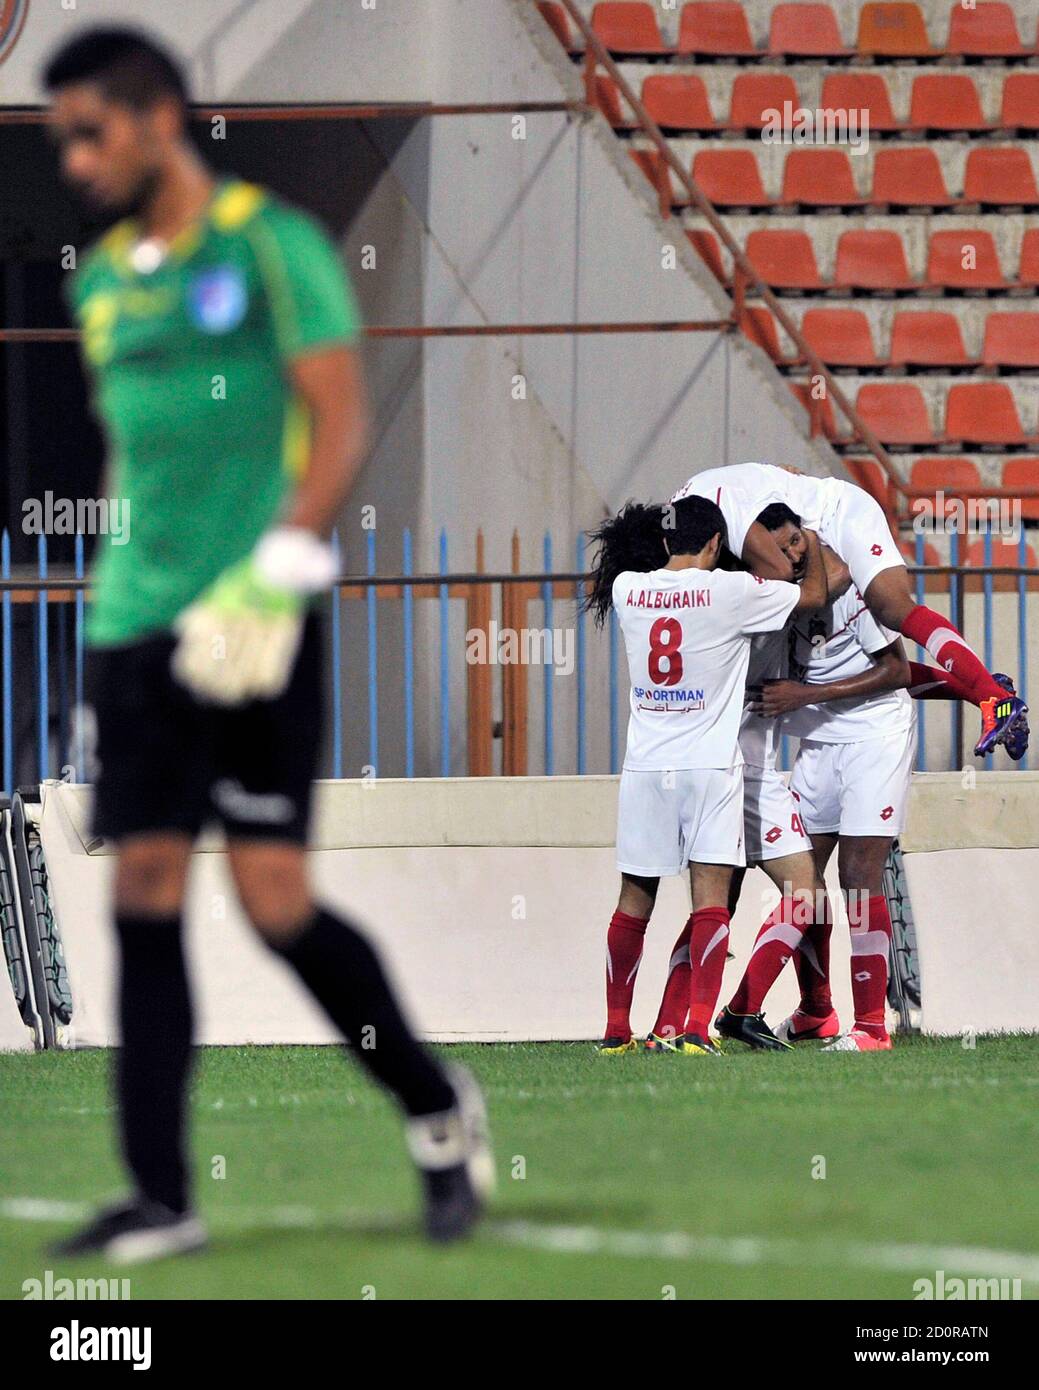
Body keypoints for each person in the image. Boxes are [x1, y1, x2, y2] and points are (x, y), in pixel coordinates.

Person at [45, 26, 492, 1263]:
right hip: (138, 628)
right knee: (142, 889)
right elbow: (142, 454)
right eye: (64, 139)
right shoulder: (97, 282)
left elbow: (336, 422)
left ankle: (436, 1107)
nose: (77, 160)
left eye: (93, 131)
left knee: (273, 899)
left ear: (160, 117)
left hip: (258, 622)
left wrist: (278, 573)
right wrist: (119, 627)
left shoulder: (272, 245)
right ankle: (160, 1194)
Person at [583, 494, 827, 1056]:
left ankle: (616, 1032)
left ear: (667, 542)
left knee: (632, 902)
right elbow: (811, 595)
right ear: (717, 545)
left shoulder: (626, 590)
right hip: (709, 767)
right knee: (711, 901)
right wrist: (810, 539)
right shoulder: (732, 592)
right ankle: (695, 1031)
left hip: (646, 766)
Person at [671, 462, 1028, 761]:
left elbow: (815, 576)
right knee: (832, 666)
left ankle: (993, 699)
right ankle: (984, 687)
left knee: (891, 606)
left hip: (838, 516)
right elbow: (767, 479)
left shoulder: (727, 522)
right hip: (808, 525)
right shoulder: (698, 507)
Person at [746, 504, 916, 1052]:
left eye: (798, 540)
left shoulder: (855, 588)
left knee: (859, 872)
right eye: (781, 548)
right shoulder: (778, 597)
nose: (794, 553)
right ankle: (817, 1011)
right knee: (805, 880)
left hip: (875, 734)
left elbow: (899, 670)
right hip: (817, 742)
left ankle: (870, 1029)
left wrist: (806, 696)